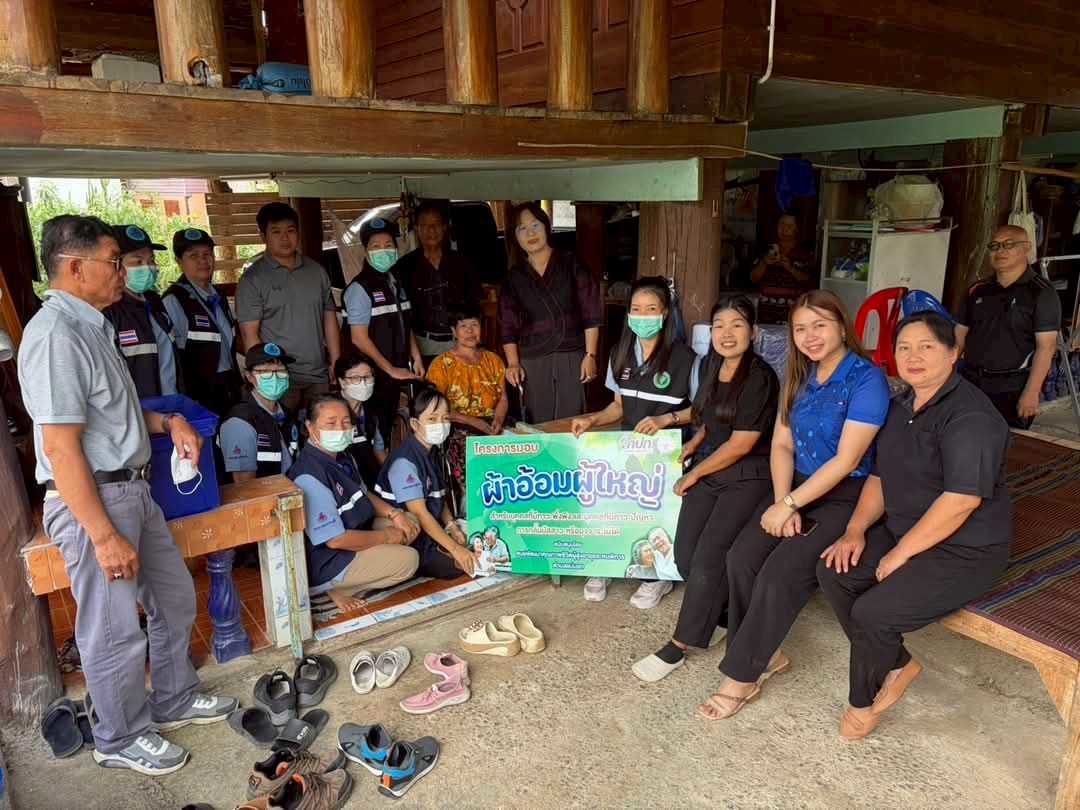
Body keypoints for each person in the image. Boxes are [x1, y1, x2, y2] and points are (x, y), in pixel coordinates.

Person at [19, 215, 237, 776]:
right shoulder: (56, 336)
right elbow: (61, 446)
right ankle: (120, 737)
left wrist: (167, 422)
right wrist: (101, 534)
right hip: (95, 498)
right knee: (114, 628)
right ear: (75, 268)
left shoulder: (93, 325)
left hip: (132, 488)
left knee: (173, 597)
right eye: (114, 262)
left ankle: (174, 697)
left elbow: (112, 410)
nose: (124, 272)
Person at [817, 312, 1012, 740]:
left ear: (953, 353)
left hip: (966, 547)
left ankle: (862, 702)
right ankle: (899, 663)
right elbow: (880, 476)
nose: (913, 357)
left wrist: (900, 554)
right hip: (907, 529)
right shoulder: (900, 405)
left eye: (926, 347)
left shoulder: (971, 416)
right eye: (904, 347)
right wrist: (855, 530)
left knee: (872, 614)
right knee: (835, 569)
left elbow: (962, 500)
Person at [699, 289, 890, 720]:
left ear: (843, 327)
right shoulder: (800, 376)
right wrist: (784, 500)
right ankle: (764, 655)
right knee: (741, 557)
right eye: (800, 329)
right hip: (796, 486)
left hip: (845, 494)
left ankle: (742, 676)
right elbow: (782, 445)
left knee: (780, 574)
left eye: (820, 325)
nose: (810, 336)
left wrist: (789, 503)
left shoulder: (866, 380)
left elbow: (847, 460)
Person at [631, 295, 780, 683]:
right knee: (684, 555)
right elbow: (707, 417)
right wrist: (688, 440)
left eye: (737, 325)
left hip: (748, 473)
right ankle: (721, 615)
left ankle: (679, 645)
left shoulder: (761, 377)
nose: (727, 334)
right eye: (719, 326)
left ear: (753, 332)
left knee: (709, 557)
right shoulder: (713, 365)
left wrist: (694, 473)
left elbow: (742, 443)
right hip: (713, 466)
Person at [571, 276, 696, 608]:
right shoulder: (620, 353)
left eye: (651, 309)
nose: (643, 316)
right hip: (629, 450)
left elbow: (701, 410)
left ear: (665, 313)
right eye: (636, 309)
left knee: (657, 515)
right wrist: (592, 420)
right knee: (615, 507)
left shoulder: (686, 359)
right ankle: (605, 565)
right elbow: (618, 406)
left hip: (667, 455)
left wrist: (666, 420)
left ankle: (657, 578)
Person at [288, 395, 421, 614]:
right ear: (310, 427)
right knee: (408, 561)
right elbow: (335, 540)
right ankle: (334, 588)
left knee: (410, 521)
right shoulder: (309, 475)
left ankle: (365, 567)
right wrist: (386, 537)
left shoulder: (342, 456)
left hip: (356, 528)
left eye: (346, 422)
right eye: (331, 423)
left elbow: (363, 493)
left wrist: (395, 514)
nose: (340, 429)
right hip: (328, 559)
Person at [500, 203, 601, 423]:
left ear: (546, 227)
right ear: (515, 237)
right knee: (538, 422)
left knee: (572, 421)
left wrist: (590, 355)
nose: (530, 233)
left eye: (535, 225)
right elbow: (508, 326)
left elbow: (591, 313)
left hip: (572, 354)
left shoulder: (571, 263)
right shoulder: (514, 277)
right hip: (533, 358)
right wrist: (513, 363)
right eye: (522, 228)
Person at [236, 202, 341, 414]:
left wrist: (336, 361)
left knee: (322, 429)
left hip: (317, 373)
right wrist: (264, 376)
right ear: (263, 236)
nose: (285, 238)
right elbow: (250, 335)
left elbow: (329, 318)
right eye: (276, 232)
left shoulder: (317, 272)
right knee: (282, 431)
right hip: (279, 377)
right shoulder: (253, 279)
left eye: (290, 231)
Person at [956, 224, 1061, 428]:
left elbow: (1046, 347)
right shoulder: (977, 290)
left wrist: (1032, 392)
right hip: (971, 382)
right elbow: (958, 338)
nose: (1000, 251)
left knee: (1006, 442)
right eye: (994, 246)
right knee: (964, 437)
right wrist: (942, 378)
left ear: (1026, 248)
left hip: (1013, 388)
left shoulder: (1041, 292)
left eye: (1009, 244)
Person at [374, 385, 476, 578]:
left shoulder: (431, 451)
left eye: (445, 418)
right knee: (457, 566)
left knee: (476, 543)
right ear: (414, 424)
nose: (441, 424)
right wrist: (455, 549)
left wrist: (452, 526)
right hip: (411, 534)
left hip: (429, 528)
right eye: (432, 419)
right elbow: (419, 514)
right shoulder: (405, 461)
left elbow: (438, 494)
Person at [343, 216, 424, 448]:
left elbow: (404, 322)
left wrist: (416, 356)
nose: (383, 251)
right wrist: (390, 369)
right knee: (372, 431)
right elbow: (358, 338)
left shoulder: (396, 283)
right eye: (376, 246)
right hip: (369, 376)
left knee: (387, 427)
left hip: (394, 372)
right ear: (366, 251)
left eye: (388, 245)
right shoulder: (360, 288)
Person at [426, 306, 508, 501]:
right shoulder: (441, 365)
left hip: (492, 423)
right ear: (454, 331)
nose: (470, 331)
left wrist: (498, 420)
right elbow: (436, 408)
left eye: (474, 325)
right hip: (458, 427)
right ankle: (476, 503)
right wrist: (473, 422)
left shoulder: (493, 360)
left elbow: (503, 398)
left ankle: (511, 504)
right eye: (463, 326)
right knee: (473, 458)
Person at [162, 227, 242, 416]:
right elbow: (172, 357)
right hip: (199, 394)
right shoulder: (175, 300)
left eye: (207, 254)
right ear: (179, 261)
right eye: (193, 256)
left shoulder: (218, 296)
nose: (203, 261)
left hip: (229, 385)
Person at [396, 200, 482, 364]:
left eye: (436, 225)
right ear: (417, 229)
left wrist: (473, 340)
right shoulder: (404, 267)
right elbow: (401, 312)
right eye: (425, 225)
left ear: (444, 227)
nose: (431, 230)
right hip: (424, 345)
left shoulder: (462, 262)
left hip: (460, 342)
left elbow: (475, 304)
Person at [102, 224, 180, 398]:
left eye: (151, 260)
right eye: (137, 262)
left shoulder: (154, 301)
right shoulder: (110, 310)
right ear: (117, 265)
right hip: (142, 409)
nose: (148, 267)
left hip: (172, 402)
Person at [219, 343, 300, 483]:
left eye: (280, 370)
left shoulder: (286, 414)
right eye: (265, 372)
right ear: (249, 376)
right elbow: (245, 486)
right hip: (269, 494)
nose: (275, 377)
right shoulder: (239, 423)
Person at [750, 214, 814, 325]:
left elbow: (809, 281)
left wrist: (789, 267)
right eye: (781, 225)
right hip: (766, 314)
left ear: (796, 229)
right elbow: (753, 278)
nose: (784, 229)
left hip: (793, 314)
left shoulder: (804, 254)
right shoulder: (766, 250)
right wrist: (764, 263)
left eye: (789, 226)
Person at [334, 353, 384, 490]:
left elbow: (379, 449)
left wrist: (389, 475)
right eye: (355, 378)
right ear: (342, 382)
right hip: (342, 480)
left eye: (367, 377)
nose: (363, 383)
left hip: (368, 477)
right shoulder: (330, 410)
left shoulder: (372, 410)